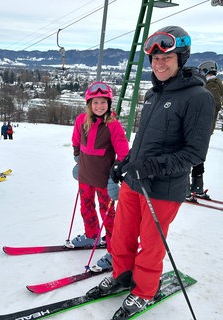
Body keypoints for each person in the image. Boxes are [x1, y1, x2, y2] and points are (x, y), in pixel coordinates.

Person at [86, 26, 215, 319]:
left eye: (166, 56)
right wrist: (126, 161)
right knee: (121, 237)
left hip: (163, 188)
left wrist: (152, 166)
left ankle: (144, 290)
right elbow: (144, 142)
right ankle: (122, 276)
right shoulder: (152, 95)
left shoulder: (198, 98)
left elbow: (195, 153)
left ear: (181, 57)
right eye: (155, 58)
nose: (159, 62)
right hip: (135, 181)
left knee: (151, 245)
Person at [69, 81, 129, 270]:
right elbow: (76, 141)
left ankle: (114, 251)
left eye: (103, 102)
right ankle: (91, 234)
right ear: (89, 104)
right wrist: (78, 160)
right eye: (95, 102)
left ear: (109, 104)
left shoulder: (114, 126)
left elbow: (123, 152)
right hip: (85, 176)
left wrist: (116, 174)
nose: (99, 106)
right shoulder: (81, 120)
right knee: (86, 207)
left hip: (104, 179)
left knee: (109, 215)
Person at [186, 60, 223, 201]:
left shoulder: (212, 86)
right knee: (197, 156)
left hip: (199, 128)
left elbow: (213, 105)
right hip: (204, 128)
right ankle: (196, 187)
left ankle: (186, 188)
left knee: (188, 155)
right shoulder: (214, 85)